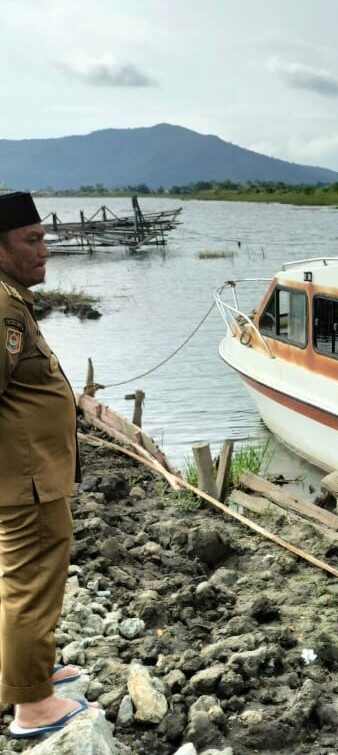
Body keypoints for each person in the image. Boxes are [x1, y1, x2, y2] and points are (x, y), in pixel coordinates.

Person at [0, 191, 93, 738]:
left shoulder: (12, 297)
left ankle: (29, 674)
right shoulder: (3, 306)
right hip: (24, 480)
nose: (46, 251)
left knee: (32, 580)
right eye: (32, 241)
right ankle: (31, 707)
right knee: (30, 584)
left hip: (30, 476)